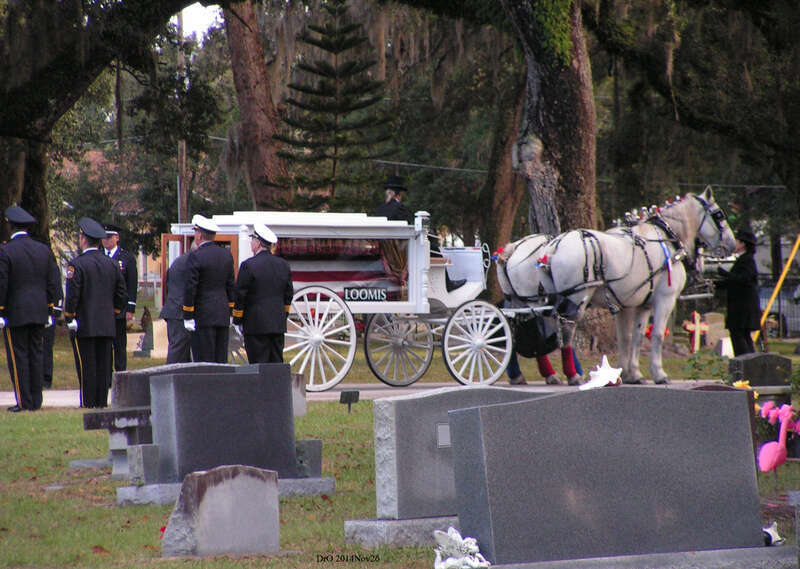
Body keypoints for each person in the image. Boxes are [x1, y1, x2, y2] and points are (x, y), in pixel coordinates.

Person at [0, 206, 61, 412]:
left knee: (19, 357)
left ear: (10, 226)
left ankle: (24, 401)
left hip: (15, 312)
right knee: (36, 355)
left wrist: (1, 310)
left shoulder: (6, 251)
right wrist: (51, 308)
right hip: (39, 311)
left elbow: (2, 283)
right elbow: (53, 281)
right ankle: (36, 400)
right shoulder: (43, 250)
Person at [64, 217, 127, 408]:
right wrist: (114, 312)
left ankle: (88, 402)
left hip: (84, 323)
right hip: (107, 323)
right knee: (103, 366)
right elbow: (121, 294)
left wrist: (69, 316)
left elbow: (73, 295)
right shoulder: (112, 264)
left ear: (83, 239)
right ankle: (100, 401)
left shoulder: (77, 265)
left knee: (87, 366)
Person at [233, 223, 294, 363]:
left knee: (258, 365)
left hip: (255, 325)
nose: (251, 244)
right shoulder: (283, 265)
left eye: (252, 240)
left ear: (258, 243)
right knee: (276, 364)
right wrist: (282, 315)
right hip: (277, 324)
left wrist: (237, 319)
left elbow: (241, 295)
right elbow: (288, 295)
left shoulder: (248, 265)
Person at [182, 214, 235, 363]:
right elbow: (231, 285)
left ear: (199, 235)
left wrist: (188, 315)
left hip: (203, 315)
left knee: (204, 360)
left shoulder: (196, 256)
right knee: (220, 359)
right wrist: (231, 311)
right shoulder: (226, 255)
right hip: (222, 314)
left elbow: (191, 287)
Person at [718, 229, 760, 356]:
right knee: (743, 336)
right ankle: (750, 362)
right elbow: (734, 281)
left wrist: (725, 274)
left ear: (743, 244)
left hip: (742, 307)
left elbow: (744, 279)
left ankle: (744, 362)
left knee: (739, 336)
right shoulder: (744, 259)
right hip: (741, 306)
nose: (734, 244)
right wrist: (717, 284)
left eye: (737, 241)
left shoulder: (747, 260)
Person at [102, 223, 138, 374]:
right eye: (103, 237)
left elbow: (132, 284)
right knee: (105, 345)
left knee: (119, 344)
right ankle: (106, 375)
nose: (105, 240)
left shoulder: (126, 257)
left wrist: (130, 308)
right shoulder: (99, 255)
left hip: (120, 309)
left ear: (116, 238)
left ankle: (121, 373)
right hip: (103, 309)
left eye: (109, 237)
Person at [159, 248, 193, 364]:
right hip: (180, 311)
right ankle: (169, 374)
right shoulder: (191, 261)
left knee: (182, 351)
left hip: (174, 309)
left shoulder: (179, 261)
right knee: (178, 350)